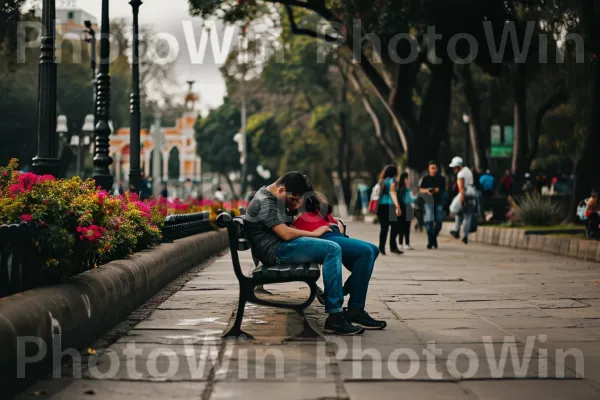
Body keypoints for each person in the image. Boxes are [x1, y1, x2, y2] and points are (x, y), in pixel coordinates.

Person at [245, 172, 365, 335]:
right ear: (281, 190)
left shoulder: (268, 196)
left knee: (330, 247)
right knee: (332, 248)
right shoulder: (265, 202)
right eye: (291, 199)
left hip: (279, 247)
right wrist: (315, 234)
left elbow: (286, 228)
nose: (292, 204)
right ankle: (335, 317)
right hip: (276, 251)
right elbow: (286, 234)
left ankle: (334, 309)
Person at [291, 190, 386, 330]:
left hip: (339, 239)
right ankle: (355, 309)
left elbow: (339, 230)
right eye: (321, 197)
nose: (324, 198)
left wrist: (338, 225)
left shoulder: (326, 215)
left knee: (373, 249)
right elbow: (293, 230)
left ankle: (349, 296)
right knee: (366, 252)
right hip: (326, 241)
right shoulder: (304, 216)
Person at [375, 165, 403, 255]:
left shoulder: (381, 181)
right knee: (396, 227)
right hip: (390, 206)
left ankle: (381, 247)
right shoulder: (392, 180)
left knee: (384, 228)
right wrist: (398, 207)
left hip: (380, 207)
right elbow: (393, 193)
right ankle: (393, 247)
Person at [419, 161, 446, 249]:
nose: (433, 170)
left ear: (437, 169)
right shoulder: (425, 178)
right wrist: (427, 190)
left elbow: (443, 189)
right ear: (429, 169)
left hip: (438, 202)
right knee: (429, 222)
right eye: (431, 168)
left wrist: (437, 190)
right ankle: (431, 241)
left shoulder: (441, 179)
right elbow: (420, 190)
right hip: (428, 202)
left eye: (435, 168)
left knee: (439, 222)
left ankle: (433, 238)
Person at [449, 157, 476, 244]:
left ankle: (456, 230)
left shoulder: (460, 174)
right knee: (466, 215)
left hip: (465, 193)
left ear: (459, 166)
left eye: (455, 167)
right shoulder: (468, 170)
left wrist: (462, 199)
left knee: (454, 208)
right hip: (472, 193)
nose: (454, 169)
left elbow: (461, 188)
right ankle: (465, 235)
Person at [396, 172, 415, 250]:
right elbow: (409, 200)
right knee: (406, 227)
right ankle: (406, 244)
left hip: (401, 209)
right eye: (407, 179)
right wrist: (416, 198)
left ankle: (400, 243)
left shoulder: (398, 189)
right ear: (404, 179)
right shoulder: (406, 189)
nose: (408, 180)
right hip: (407, 209)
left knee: (401, 227)